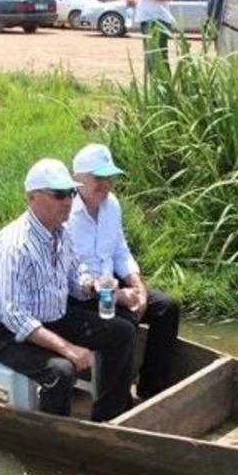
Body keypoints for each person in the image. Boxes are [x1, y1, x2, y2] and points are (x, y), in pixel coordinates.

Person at [0, 159, 135, 421]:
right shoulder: (16, 245)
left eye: (71, 193)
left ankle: (109, 417)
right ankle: (56, 435)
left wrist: (93, 285)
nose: (68, 201)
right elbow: (16, 317)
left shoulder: (62, 233)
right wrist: (68, 349)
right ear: (32, 197)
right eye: (59, 194)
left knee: (122, 332)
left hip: (53, 317)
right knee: (61, 372)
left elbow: (76, 278)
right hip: (6, 334)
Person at [67, 144, 179, 399]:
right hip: (81, 294)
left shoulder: (111, 205)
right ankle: (116, 400)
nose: (106, 184)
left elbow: (119, 250)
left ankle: (152, 389)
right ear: (78, 179)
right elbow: (73, 274)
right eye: (99, 178)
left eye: (110, 177)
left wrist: (137, 287)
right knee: (123, 322)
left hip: (111, 284)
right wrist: (116, 296)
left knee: (166, 307)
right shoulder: (66, 212)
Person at [122, 0, 178, 79]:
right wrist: (135, 2)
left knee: (157, 64)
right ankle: (158, 95)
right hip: (150, 20)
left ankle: (165, 96)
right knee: (152, 64)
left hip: (156, 21)